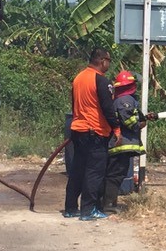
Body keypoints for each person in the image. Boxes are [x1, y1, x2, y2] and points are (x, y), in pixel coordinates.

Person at [64, 46, 121, 220]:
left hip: (77, 130)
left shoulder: (78, 78)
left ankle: (70, 208)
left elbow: (74, 105)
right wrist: (116, 129)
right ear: (102, 60)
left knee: (77, 170)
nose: (109, 65)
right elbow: (107, 108)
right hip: (95, 132)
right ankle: (88, 211)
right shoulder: (102, 81)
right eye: (108, 61)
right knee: (94, 172)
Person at [103, 70, 157, 213]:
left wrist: (144, 117)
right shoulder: (125, 100)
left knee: (116, 174)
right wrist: (140, 123)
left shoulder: (121, 99)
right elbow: (129, 120)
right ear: (130, 85)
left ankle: (108, 203)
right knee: (115, 174)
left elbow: (129, 116)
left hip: (121, 144)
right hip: (121, 145)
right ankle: (108, 205)